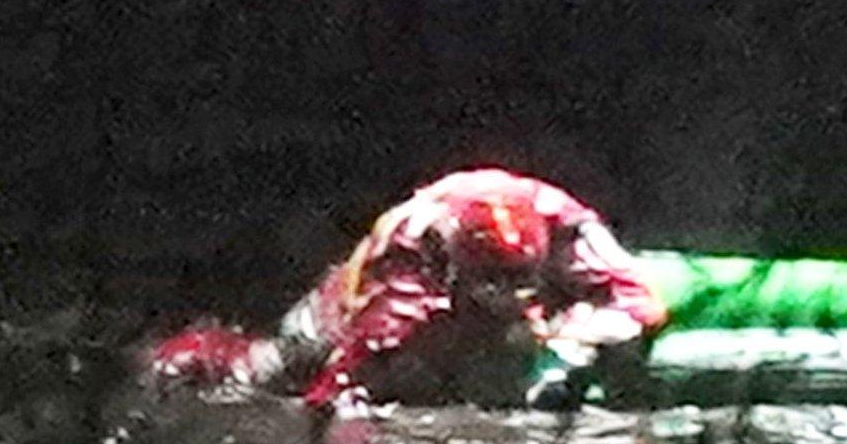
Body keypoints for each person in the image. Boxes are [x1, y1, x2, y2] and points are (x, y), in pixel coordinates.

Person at [149, 167, 666, 410]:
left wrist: (574, 344)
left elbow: (640, 302)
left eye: (518, 282)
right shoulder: (410, 256)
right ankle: (173, 358)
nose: (508, 294)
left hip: (514, 325)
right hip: (345, 311)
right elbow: (346, 379)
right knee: (263, 369)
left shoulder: (563, 220)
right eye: (493, 282)